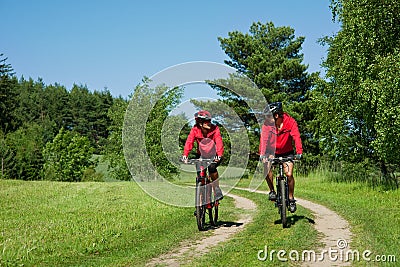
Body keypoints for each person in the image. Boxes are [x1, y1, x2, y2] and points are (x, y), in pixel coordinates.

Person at [259, 102, 303, 213]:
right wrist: (262, 154)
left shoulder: (290, 122)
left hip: (287, 152)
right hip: (271, 152)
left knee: (289, 174)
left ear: (276, 115)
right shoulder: (267, 125)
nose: (266, 118)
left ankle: (291, 198)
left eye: (268, 116)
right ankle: (272, 191)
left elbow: (296, 137)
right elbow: (264, 140)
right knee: (266, 167)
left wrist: (299, 152)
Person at [182, 110, 224, 200]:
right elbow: (189, 142)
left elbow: (219, 141)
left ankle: (217, 189)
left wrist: (219, 155)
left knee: (212, 168)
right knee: (200, 176)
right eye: (207, 121)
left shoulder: (215, 129)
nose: (209, 123)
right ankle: (199, 205)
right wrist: (185, 155)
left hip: (214, 155)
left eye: (210, 121)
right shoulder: (195, 130)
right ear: (200, 123)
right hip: (201, 155)